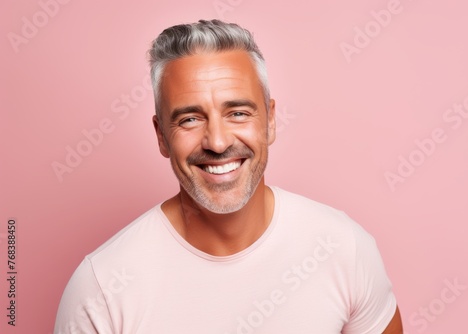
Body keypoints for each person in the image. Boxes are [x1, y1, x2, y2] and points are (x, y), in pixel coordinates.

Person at [54, 19, 403, 333]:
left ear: (269, 121)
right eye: (190, 119)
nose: (218, 142)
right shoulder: (101, 288)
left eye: (237, 113)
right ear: (161, 135)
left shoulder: (343, 248)